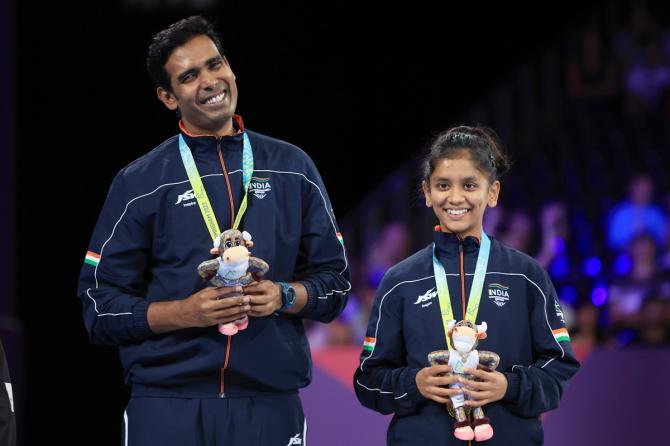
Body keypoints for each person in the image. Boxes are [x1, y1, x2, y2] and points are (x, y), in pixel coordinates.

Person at [77, 16, 350, 445]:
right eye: (189, 76)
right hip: (167, 403)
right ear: (168, 97)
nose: (209, 81)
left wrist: (283, 295)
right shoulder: (141, 181)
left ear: (231, 69)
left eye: (215, 64)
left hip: (269, 402)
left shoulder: (292, 167)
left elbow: (335, 285)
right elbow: (99, 307)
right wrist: (187, 312)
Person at [354, 126, 579, 445]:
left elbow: (559, 367)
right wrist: (414, 383)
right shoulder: (400, 280)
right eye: (443, 185)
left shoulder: (526, 275)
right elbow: (368, 381)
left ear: (492, 192)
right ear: (428, 192)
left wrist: (508, 386)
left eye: (470, 185)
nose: (456, 197)